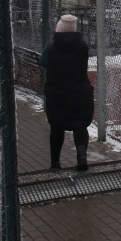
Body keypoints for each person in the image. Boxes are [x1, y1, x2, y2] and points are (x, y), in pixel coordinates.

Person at [39, 15, 95, 171]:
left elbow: (42, 62)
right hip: (80, 94)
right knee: (80, 126)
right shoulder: (82, 47)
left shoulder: (50, 48)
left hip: (57, 95)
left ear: (59, 30)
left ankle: (55, 163)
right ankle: (82, 157)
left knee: (57, 127)